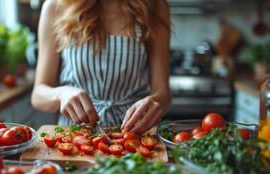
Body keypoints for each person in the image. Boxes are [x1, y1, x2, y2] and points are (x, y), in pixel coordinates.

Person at [31, 0, 171, 134]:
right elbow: (38, 94)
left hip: (135, 135)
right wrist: (61, 94)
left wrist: (154, 102)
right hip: (75, 138)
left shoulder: (155, 7)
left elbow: (163, 92)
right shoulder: (56, 6)